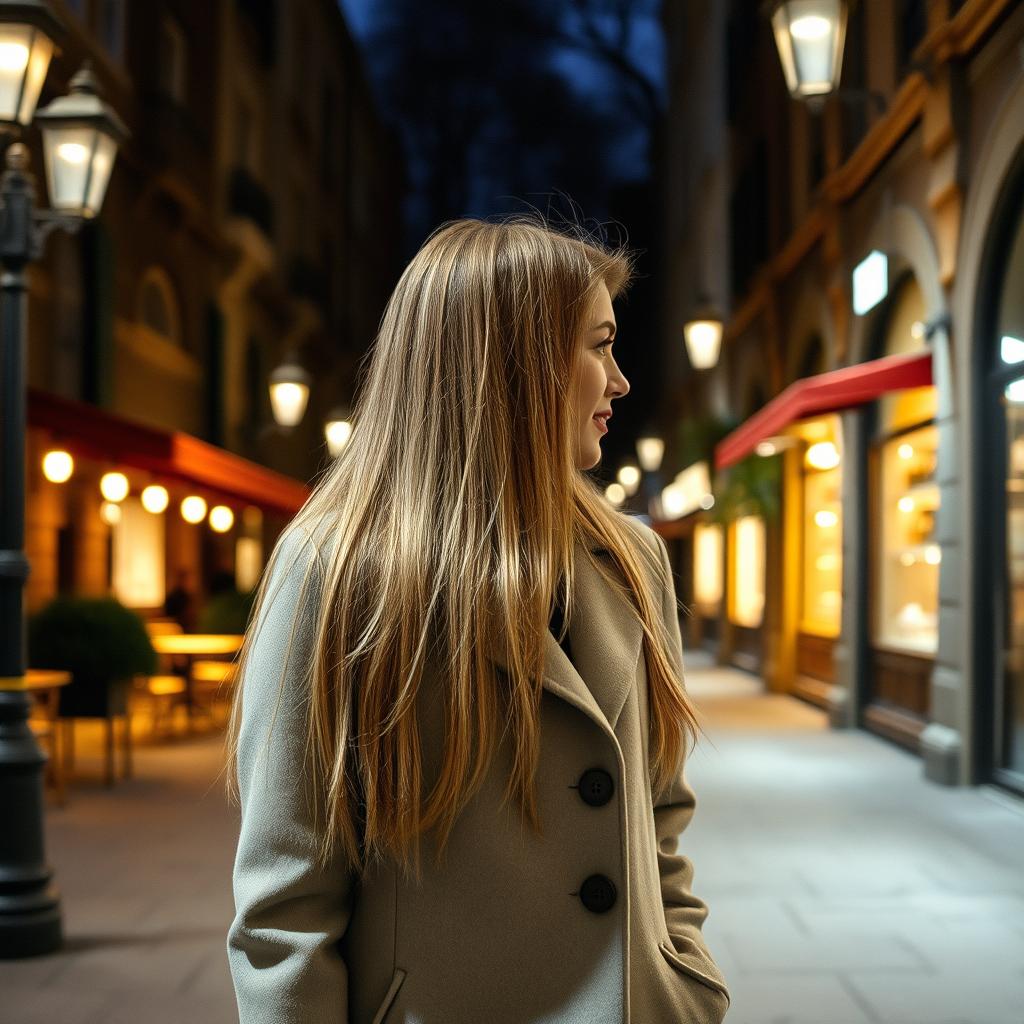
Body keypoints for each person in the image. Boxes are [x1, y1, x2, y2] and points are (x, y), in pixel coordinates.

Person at [224, 217, 730, 1024]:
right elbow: (286, 913)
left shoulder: (633, 558)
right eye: (599, 345)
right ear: (520, 364)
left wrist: (684, 980)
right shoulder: (334, 568)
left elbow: (661, 814)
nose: (620, 380)